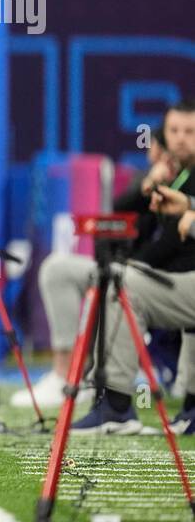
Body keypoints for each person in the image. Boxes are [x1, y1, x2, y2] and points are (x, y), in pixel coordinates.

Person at [30, 100, 195, 434]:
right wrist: (147, 183)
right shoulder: (174, 178)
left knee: (120, 281)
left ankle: (115, 402)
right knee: (58, 268)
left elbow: (174, 249)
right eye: (173, 132)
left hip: (164, 276)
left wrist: (131, 265)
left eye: (189, 132)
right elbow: (118, 217)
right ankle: (66, 374)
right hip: (149, 272)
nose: (179, 140)